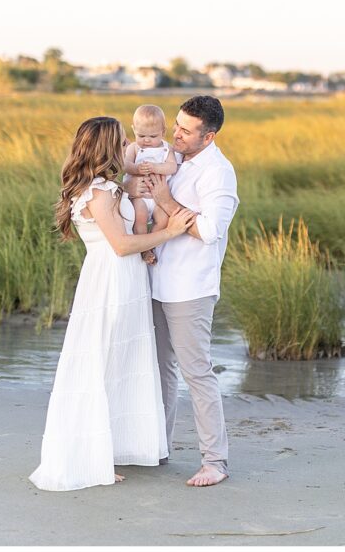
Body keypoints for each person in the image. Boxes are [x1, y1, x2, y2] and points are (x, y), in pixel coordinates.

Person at [29, 116, 195, 492]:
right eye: (121, 142)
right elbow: (120, 246)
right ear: (106, 148)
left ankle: (114, 446)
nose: (127, 148)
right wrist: (170, 232)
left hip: (126, 279)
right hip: (110, 280)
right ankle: (89, 456)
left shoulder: (109, 187)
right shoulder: (99, 192)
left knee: (122, 360)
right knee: (102, 361)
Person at [146, 95, 239, 487]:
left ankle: (215, 462)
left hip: (190, 287)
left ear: (209, 136)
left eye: (186, 130)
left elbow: (209, 230)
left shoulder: (218, 172)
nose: (176, 134)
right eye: (177, 125)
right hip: (155, 281)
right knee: (159, 370)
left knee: (197, 373)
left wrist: (167, 201)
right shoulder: (172, 158)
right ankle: (158, 447)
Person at [123, 105, 178, 266]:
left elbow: (172, 167)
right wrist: (136, 169)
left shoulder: (167, 149)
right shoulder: (134, 148)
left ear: (163, 132)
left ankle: (151, 246)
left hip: (158, 198)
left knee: (163, 220)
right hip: (140, 196)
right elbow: (125, 164)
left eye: (153, 136)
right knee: (139, 218)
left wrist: (155, 168)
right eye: (141, 135)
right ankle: (143, 248)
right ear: (134, 130)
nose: (146, 140)